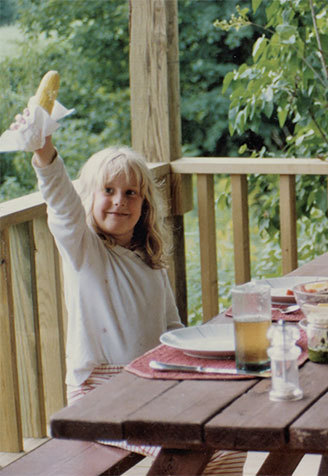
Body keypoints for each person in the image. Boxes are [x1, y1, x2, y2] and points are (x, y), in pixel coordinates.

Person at [11, 110, 247, 475]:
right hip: (98, 397)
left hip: (151, 384)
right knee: (191, 451)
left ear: (144, 205)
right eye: (108, 191)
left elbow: (172, 328)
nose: (119, 200)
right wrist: (45, 152)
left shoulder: (149, 262)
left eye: (130, 193)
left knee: (232, 435)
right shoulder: (85, 252)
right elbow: (61, 205)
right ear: (88, 198)